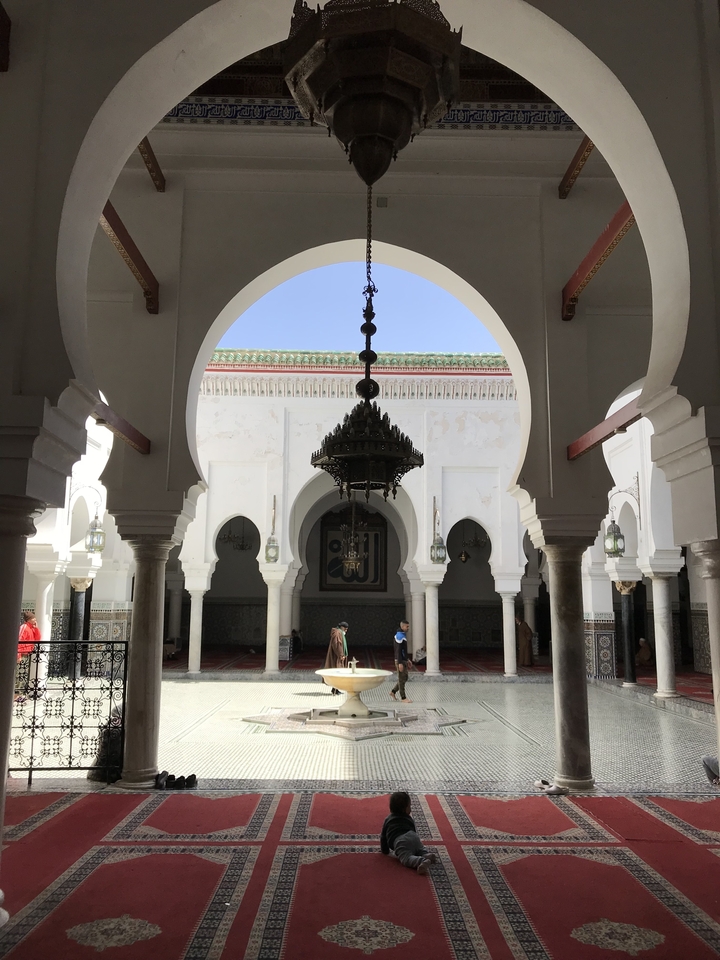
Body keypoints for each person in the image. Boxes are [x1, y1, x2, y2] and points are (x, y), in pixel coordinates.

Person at [380, 791, 437, 875]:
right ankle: (426, 854)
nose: (410, 808)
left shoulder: (388, 819)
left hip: (400, 841)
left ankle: (421, 861)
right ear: (405, 809)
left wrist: (385, 850)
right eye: (409, 806)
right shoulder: (409, 818)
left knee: (406, 858)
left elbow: (383, 837)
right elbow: (413, 829)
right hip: (413, 836)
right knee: (418, 848)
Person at [16, 611, 40, 702]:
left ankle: (20, 694)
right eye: (33, 618)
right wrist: (18, 655)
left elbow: (37, 639)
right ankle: (16, 695)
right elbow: (18, 641)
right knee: (20, 674)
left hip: (27, 653)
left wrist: (36, 629)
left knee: (24, 674)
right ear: (29, 619)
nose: (35, 619)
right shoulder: (24, 627)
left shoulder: (31, 628)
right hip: (22, 654)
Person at [390, 619, 412, 702]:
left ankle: (393, 692)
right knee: (401, 679)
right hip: (400, 661)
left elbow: (403, 650)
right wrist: (400, 663)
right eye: (407, 626)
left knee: (404, 677)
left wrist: (407, 660)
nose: (408, 628)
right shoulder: (399, 636)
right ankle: (403, 698)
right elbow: (398, 651)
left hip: (403, 660)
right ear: (402, 626)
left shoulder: (402, 634)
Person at [324, 620, 349, 694]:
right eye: (345, 629)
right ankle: (335, 690)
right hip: (336, 657)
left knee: (338, 672)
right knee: (337, 672)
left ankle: (335, 689)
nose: (346, 630)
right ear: (341, 627)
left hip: (338, 657)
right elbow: (337, 645)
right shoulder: (337, 633)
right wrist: (341, 655)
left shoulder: (339, 633)